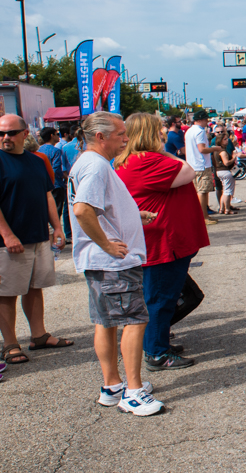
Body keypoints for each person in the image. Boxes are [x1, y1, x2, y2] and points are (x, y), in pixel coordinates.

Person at [69, 111, 162, 416]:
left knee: (105, 322)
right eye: (121, 134)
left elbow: (99, 208)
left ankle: (113, 385)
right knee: (134, 320)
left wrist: (133, 216)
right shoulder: (95, 165)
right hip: (112, 263)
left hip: (102, 262)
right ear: (100, 137)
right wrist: (107, 244)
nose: (126, 139)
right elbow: (83, 210)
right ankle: (133, 392)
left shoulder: (88, 163)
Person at [115, 113, 209, 371]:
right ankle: (156, 351)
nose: (164, 133)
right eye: (160, 129)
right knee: (160, 298)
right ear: (149, 133)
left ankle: (156, 343)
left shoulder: (135, 160)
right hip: (161, 242)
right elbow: (190, 170)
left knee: (162, 296)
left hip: (161, 240)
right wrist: (166, 153)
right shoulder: (147, 160)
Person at [0, 115, 70, 366]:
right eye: (1, 134)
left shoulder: (36, 161)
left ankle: (39, 335)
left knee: (34, 286)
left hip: (38, 234)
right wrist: (7, 235)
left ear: (25, 132)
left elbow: (48, 196)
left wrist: (57, 227)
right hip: (8, 240)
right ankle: (10, 344)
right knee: (7, 293)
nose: (5, 138)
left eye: (10, 133)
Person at [185, 111, 220, 225]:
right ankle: (204, 217)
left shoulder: (189, 131)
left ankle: (203, 215)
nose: (207, 122)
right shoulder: (200, 132)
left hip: (192, 164)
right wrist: (214, 149)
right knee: (203, 191)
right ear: (200, 120)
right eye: (205, 120)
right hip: (202, 164)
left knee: (198, 191)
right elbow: (202, 149)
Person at [38, 127, 69, 238]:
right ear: (52, 135)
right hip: (56, 184)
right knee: (56, 212)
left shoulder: (39, 150)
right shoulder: (55, 151)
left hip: (43, 185)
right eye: (57, 134)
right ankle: (56, 233)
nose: (58, 136)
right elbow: (56, 169)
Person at [215, 128, 237, 215]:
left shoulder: (216, 150)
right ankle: (227, 209)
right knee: (227, 191)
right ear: (220, 141)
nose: (227, 140)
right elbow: (226, 163)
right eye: (224, 139)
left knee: (225, 191)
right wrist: (234, 157)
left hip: (219, 171)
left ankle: (222, 208)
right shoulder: (222, 151)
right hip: (225, 171)